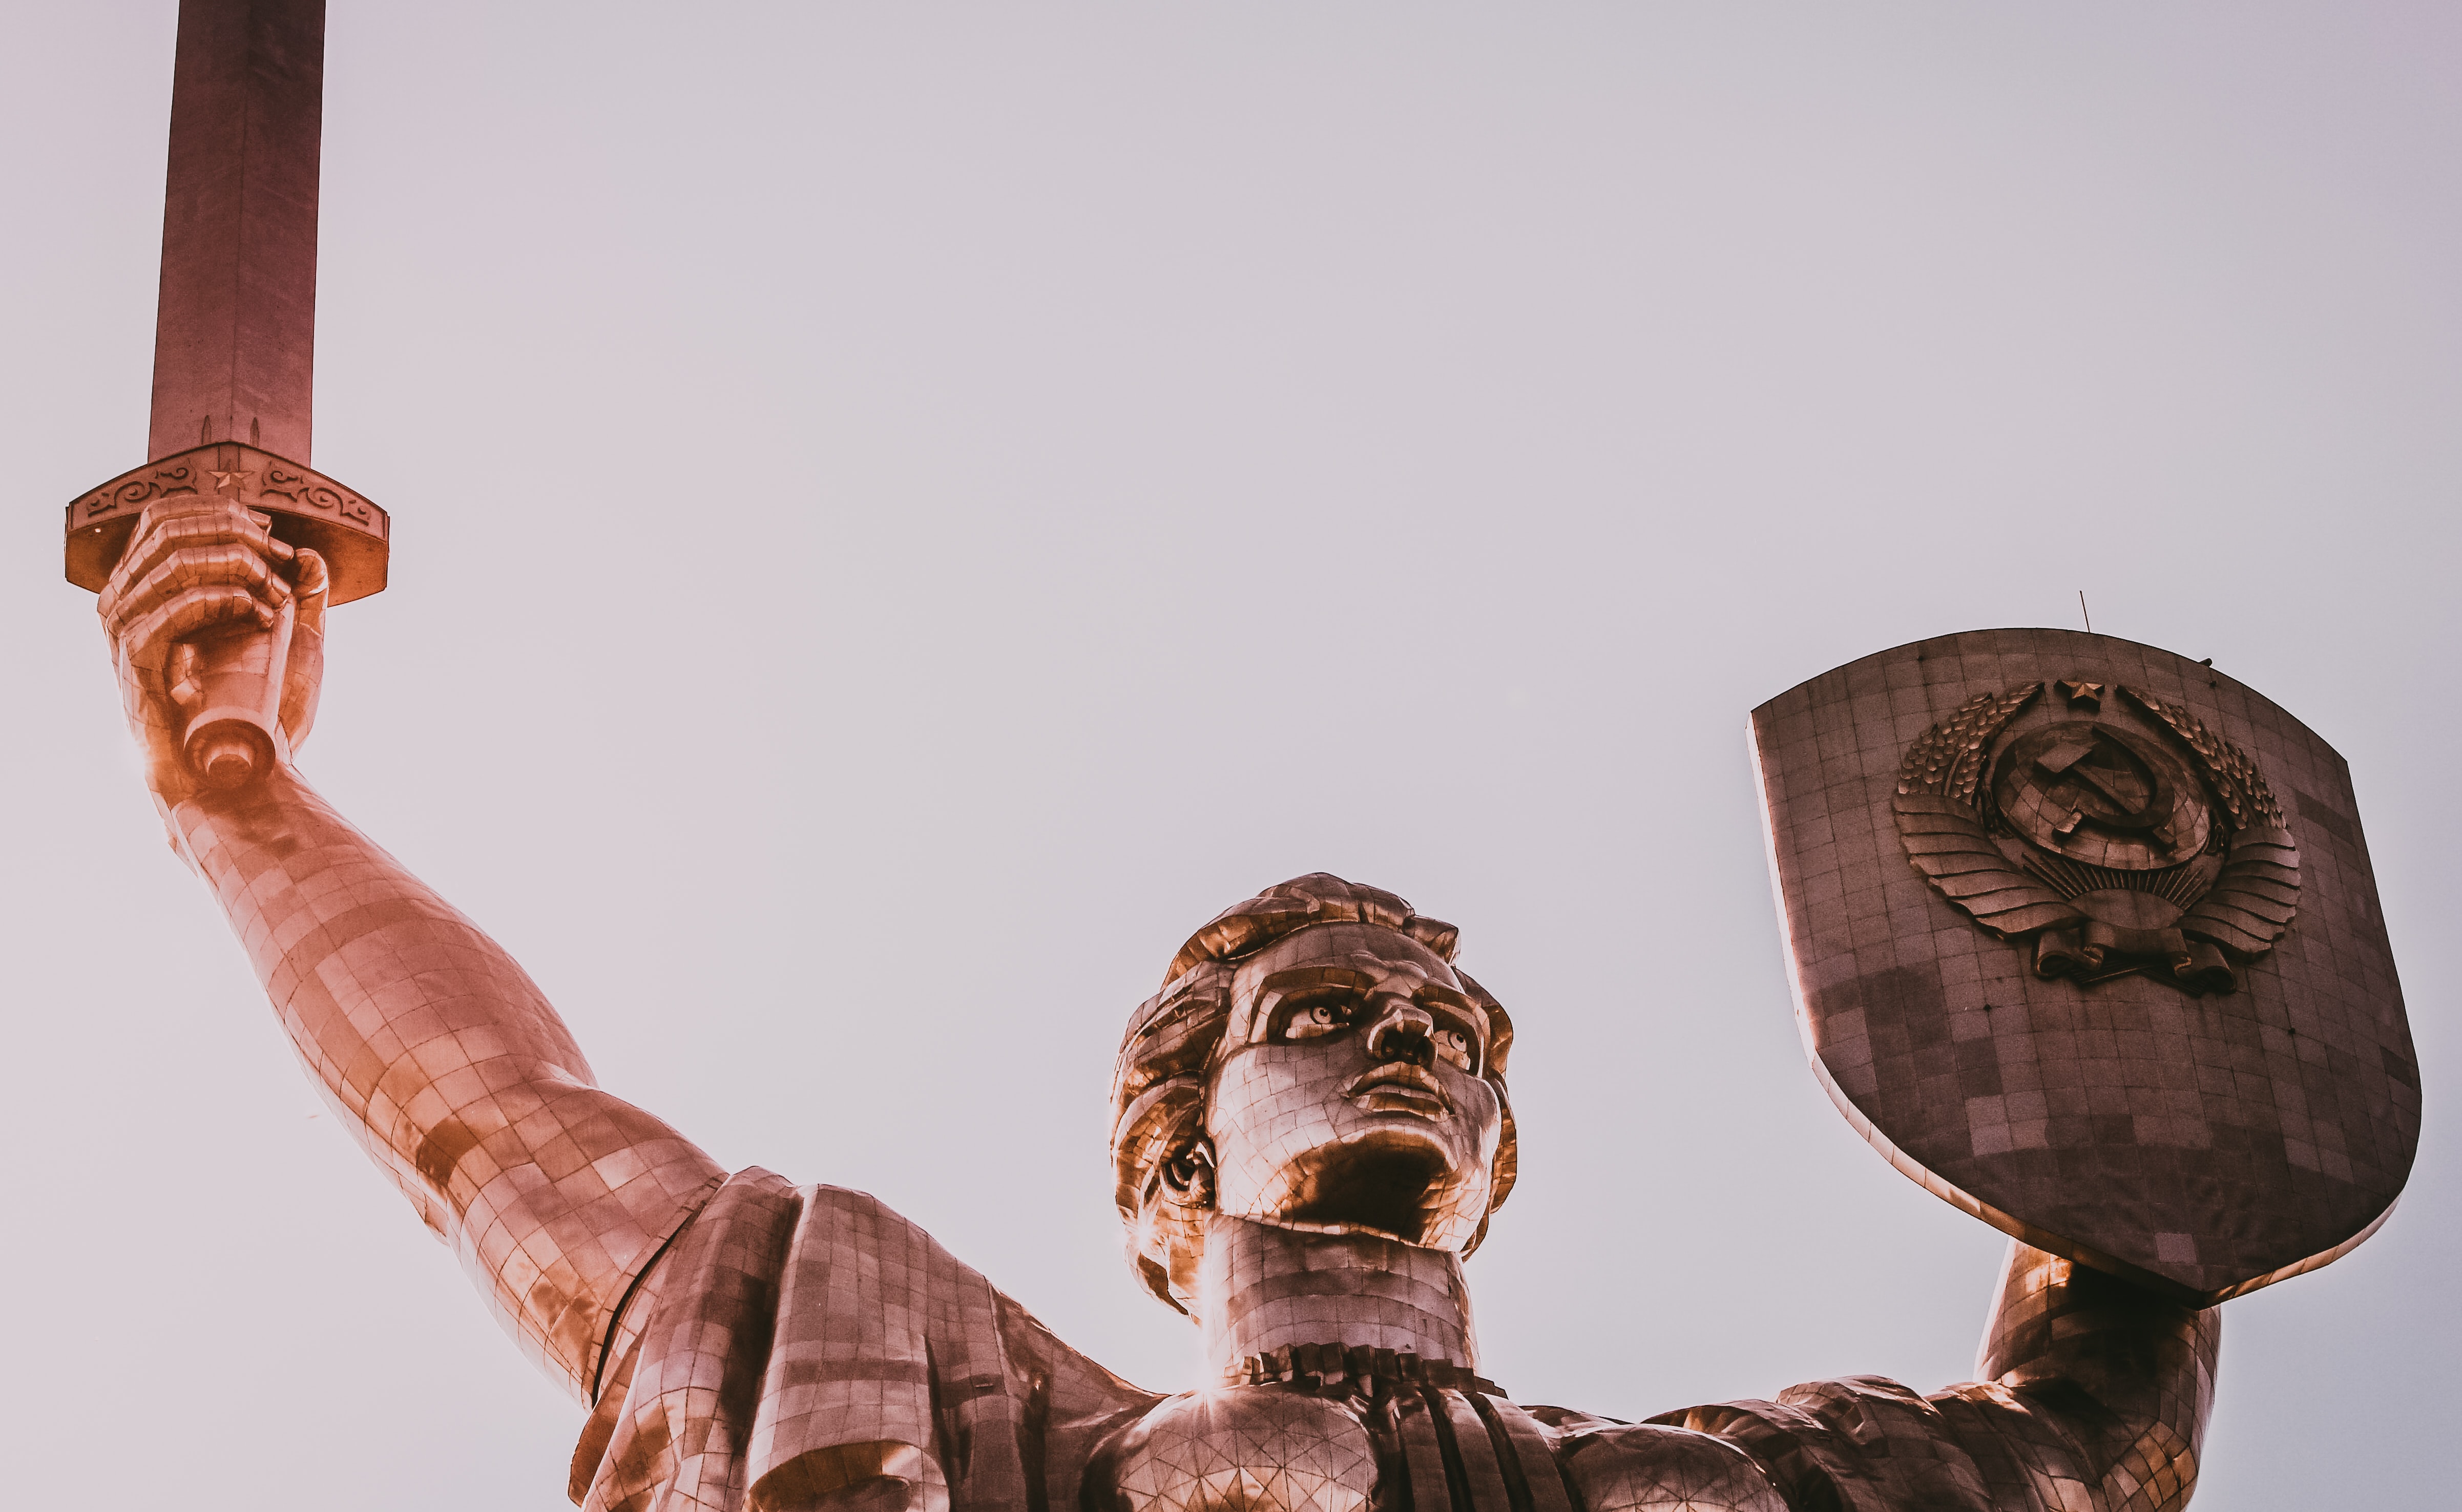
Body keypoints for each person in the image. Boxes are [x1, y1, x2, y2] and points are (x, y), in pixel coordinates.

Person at [96, 496, 2217, 1512]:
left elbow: (2081, 1430)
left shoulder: (1731, 1482)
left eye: (1455, 1039)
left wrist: (2142, 1001)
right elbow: (505, 1130)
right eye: (1325, 1016)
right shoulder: (942, 1402)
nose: (1412, 1046)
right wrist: (241, 799)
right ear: (1170, 1159)